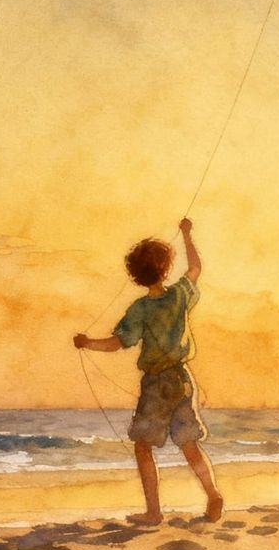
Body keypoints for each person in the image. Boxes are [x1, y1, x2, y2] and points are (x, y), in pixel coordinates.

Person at [74, 218, 222, 525]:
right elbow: (195, 267)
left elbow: (117, 343)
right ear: (166, 268)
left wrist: (87, 343)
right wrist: (186, 234)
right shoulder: (180, 295)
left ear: (136, 275)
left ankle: (154, 512)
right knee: (189, 444)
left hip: (156, 384)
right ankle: (212, 494)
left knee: (143, 447)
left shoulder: (140, 309)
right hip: (182, 379)